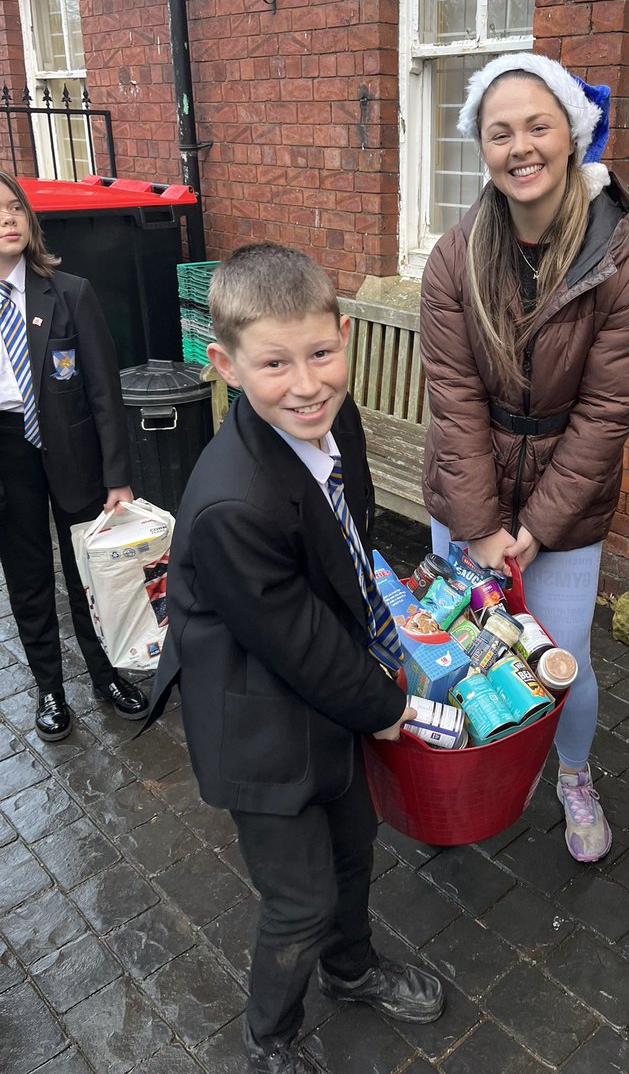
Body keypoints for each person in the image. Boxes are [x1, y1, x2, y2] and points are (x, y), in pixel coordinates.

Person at [143, 244, 443, 1074]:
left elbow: (348, 549)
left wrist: (387, 639)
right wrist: (390, 707)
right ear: (226, 365)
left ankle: (351, 971)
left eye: (320, 353)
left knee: (352, 848)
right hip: (257, 721)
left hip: (324, 693)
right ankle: (269, 1039)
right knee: (301, 899)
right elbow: (295, 642)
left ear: (342, 336)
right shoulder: (235, 503)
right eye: (274, 363)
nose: (306, 382)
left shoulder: (327, 415)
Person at [420, 55, 629, 862]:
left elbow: (606, 412)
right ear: (481, 148)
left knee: (564, 658)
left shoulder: (621, 259)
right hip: (467, 488)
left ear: (571, 136)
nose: (519, 146)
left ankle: (571, 775)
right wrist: (482, 525)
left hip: (569, 501)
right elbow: (452, 398)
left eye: (537, 125)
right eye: (499, 131)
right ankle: (468, 768)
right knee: (464, 646)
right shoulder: (454, 257)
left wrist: (537, 528)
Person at [0, 169, 149, 741]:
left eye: (16, 208)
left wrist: (118, 477)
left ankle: (105, 673)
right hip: (7, 453)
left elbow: (105, 394)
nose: (10, 218)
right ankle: (49, 691)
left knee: (89, 573)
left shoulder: (69, 292)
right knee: (28, 578)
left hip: (72, 449)